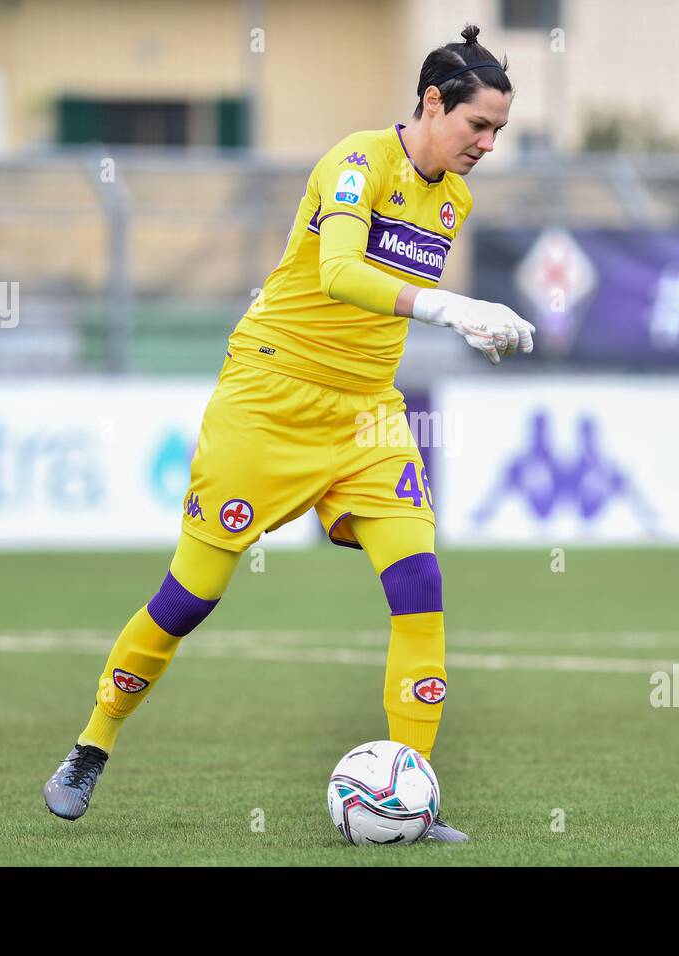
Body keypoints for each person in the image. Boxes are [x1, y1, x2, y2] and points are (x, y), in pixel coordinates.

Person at [43, 23, 532, 843]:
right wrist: (452, 308)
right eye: (478, 124)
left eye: (499, 133)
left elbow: (386, 301)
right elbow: (340, 274)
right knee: (188, 599)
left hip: (369, 413)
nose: (487, 144)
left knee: (420, 592)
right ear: (432, 101)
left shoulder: (453, 200)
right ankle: (93, 744)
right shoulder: (356, 163)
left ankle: (414, 794)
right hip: (268, 397)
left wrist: (470, 330)